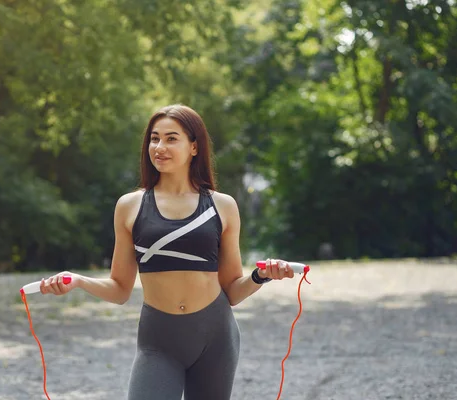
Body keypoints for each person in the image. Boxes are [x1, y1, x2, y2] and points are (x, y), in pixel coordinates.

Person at [40, 104, 296, 400]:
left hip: (216, 338)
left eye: (171, 138)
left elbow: (233, 291)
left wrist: (260, 275)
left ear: (194, 147)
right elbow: (120, 289)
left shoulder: (222, 206)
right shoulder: (130, 206)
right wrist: (78, 281)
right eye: (154, 138)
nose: (159, 147)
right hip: (158, 341)